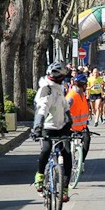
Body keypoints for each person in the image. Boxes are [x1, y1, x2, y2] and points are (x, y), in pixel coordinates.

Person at [32, 61, 73, 202]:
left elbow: (64, 106)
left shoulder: (58, 88)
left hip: (61, 127)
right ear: (59, 77)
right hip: (47, 127)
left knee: (67, 155)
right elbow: (42, 109)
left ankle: (64, 188)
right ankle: (40, 175)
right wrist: (37, 127)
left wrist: (69, 121)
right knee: (46, 149)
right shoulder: (46, 89)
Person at [66, 73, 91, 169]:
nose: (87, 86)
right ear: (82, 85)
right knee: (66, 146)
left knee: (87, 140)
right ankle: (66, 163)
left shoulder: (82, 94)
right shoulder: (71, 96)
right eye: (86, 84)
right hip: (70, 127)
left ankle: (82, 162)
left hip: (82, 126)